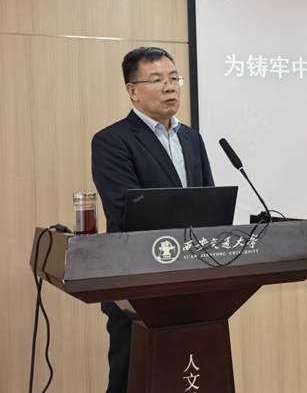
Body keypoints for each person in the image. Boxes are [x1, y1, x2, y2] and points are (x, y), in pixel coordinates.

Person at [91, 47, 214, 393]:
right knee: (130, 380)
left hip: (194, 284)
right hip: (138, 286)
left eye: (174, 78)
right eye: (157, 80)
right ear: (132, 90)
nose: (170, 87)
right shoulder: (112, 141)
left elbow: (209, 202)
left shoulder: (192, 138)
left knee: (190, 378)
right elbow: (126, 212)